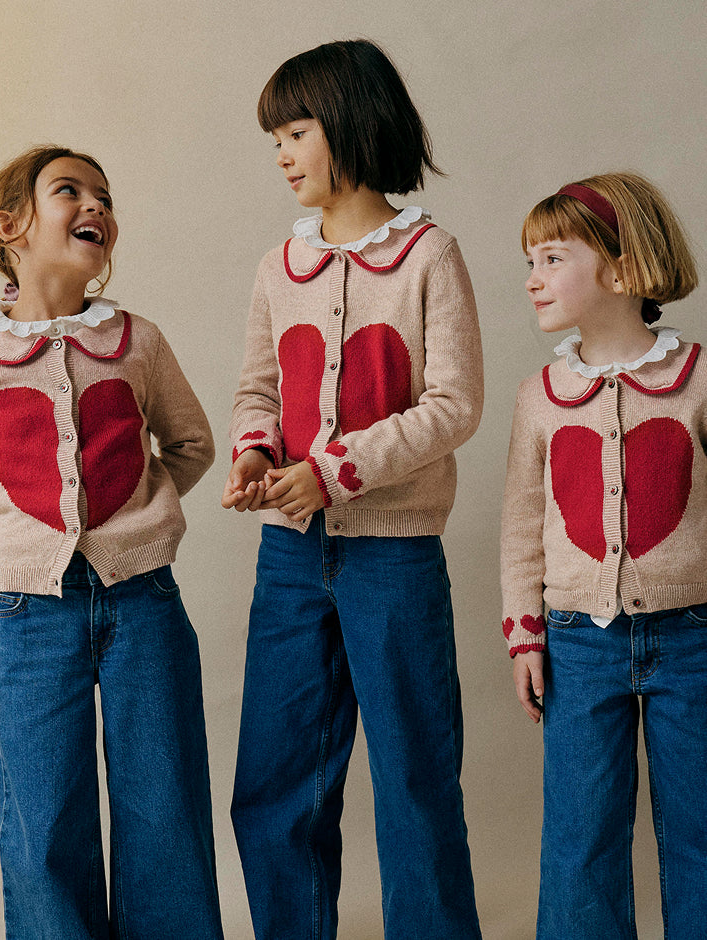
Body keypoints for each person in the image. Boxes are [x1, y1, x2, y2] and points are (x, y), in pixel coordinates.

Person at [222, 39, 483, 940]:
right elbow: (259, 389)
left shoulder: (428, 258)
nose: (284, 154)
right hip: (290, 560)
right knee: (275, 783)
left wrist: (333, 471)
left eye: (296, 131)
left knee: (415, 780)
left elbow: (454, 405)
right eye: (277, 140)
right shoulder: (275, 269)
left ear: (351, 122)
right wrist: (257, 455)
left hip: (396, 558)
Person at [0, 145, 224, 938]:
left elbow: (190, 444)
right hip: (32, 615)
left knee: (165, 803)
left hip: (143, 604)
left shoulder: (136, 340)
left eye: (105, 197)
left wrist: (137, 521)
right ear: (12, 226)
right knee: (44, 815)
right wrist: (14, 540)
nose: (96, 207)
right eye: (70, 191)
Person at [502, 172, 705, 939]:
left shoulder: (698, 383)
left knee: (699, 832)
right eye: (530, 261)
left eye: (552, 258)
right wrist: (525, 633)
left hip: (695, 638)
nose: (532, 278)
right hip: (577, 645)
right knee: (581, 839)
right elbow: (523, 527)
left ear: (622, 270)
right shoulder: (540, 396)